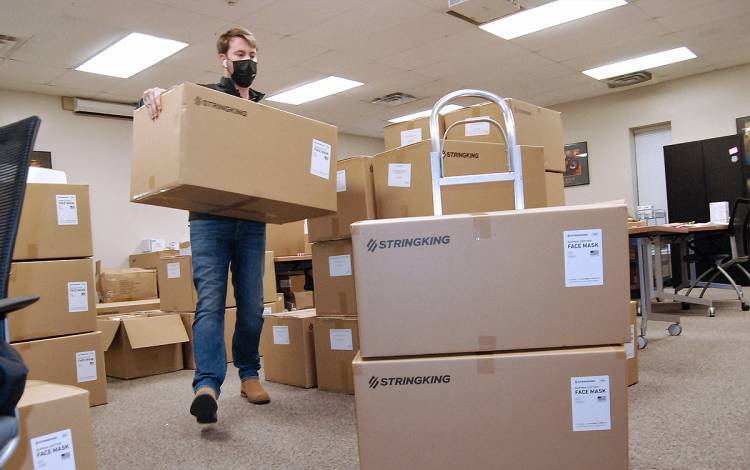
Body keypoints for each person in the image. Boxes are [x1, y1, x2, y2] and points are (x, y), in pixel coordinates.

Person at [141, 28, 269, 424]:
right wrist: (154, 94)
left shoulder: (265, 112)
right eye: (240, 53)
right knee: (210, 302)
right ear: (224, 60)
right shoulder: (207, 99)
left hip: (251, 219)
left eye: (252, 53)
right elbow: (170, 109)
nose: (247, 59)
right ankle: (208, 384)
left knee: (251, 307)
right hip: (209, 219)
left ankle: (249, 374)